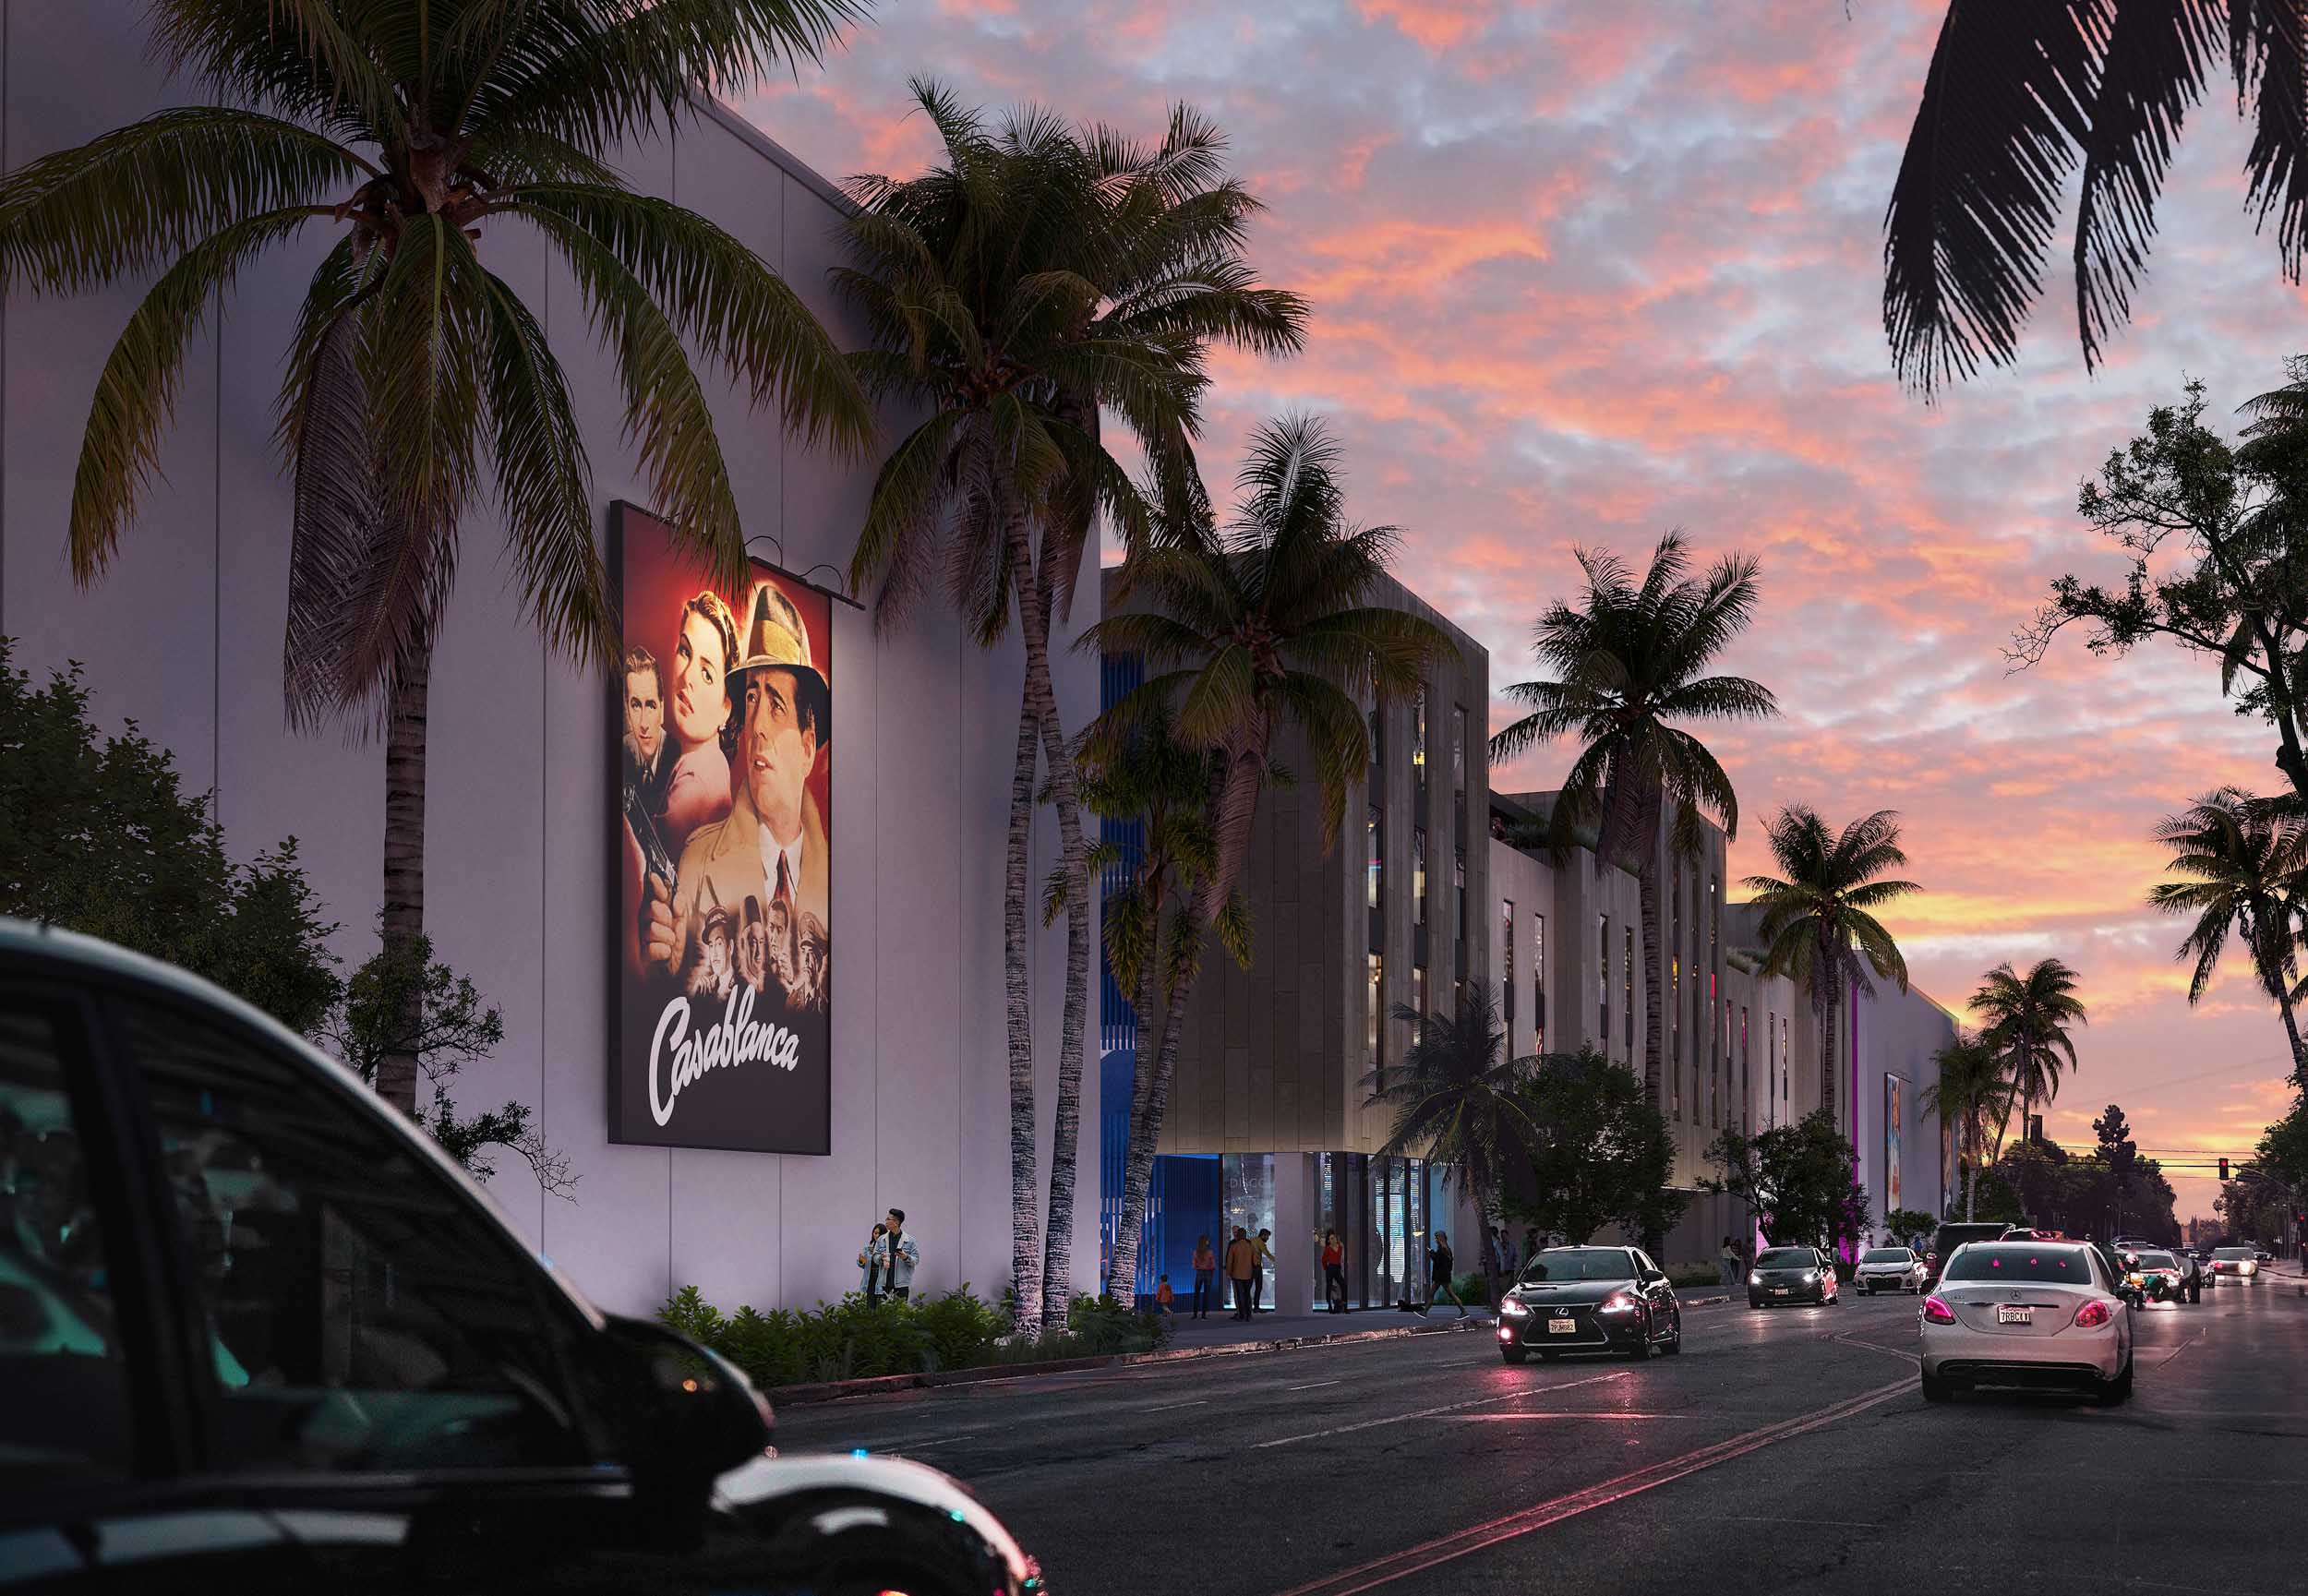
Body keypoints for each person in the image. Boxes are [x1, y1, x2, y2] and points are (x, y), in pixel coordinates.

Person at [645, 582, 831, 990]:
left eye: (776, 705)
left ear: (806, 746)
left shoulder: (836, 883)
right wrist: (668, 963)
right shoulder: (697, 860)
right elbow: (676, 996)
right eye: (751, 700)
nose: (757, 726)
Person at [621, 645, 670, 810]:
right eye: (635, 706)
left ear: (662, 709)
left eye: (650, 706)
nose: (643, 724)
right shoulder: (620, 753)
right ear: (627, 709)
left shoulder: (677, 756)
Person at [877, 1208, 920, 1302]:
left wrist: (906, 1257)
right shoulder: (881, 1239)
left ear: (896, 1222)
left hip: (902, 1286)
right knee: (883, 1314)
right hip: (884, 1284)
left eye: (888, 1219)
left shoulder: (910, 1240)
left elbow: (916, 1260)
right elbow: (875, 1256)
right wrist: (880, 1257)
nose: (886, 1221)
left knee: (900, 1314)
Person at [1425, 1230, 1465, 1316]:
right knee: (1434, 1293)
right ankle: (1424, 1312)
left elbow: (1438, 1260)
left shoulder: (1442, 1249)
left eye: (1436, 1238)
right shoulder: (1446, 1248)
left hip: (1441, 1276)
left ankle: (1463, 1311)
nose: (1435, 1239)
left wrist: (1431, 1253)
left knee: (1446, 1294)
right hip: (1444, 1275)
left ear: (1439, 1238)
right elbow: (1446, 1261)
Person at [1224, 1227, 1258, 1321]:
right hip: (1248, 1274)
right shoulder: (1250, 1246)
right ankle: (1249, 1315)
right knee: (1247, 1294)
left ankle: (1241, 1315)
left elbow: (1229, 1261)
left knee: (1239, 1295)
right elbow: (1255, 1261)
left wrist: (1228, 1272)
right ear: (1245, 1235)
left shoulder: (1233, 1246)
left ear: (1238, 1235)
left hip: (1236, 1274)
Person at [859, 1221, 886, 1305]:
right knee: (870, 1303)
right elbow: (864, 1265)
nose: (877, 1235)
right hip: (870, 1277)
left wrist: (882, 1257)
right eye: (875, 1233)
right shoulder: (868, 1247)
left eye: (880, 1234)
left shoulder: (886, 1247)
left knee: (882, 1303)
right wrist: (861, 1260)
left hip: (881, 1278)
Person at [1191, 1234, 1218, 1320]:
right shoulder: (1210, 1252)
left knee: (1196, 1294)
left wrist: (1199, 1267)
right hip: (1208, 1273)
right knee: (1206, 1294)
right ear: (1205, 1242)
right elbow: (1214, 1266)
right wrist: (1208, 1267)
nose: (1208, 1242)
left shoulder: (1195, 1252)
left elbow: (1194, 1266)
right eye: (1207, 1240)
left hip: (1199, 1273)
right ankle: (1203, 1315)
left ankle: (1195, 1314)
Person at [1321, 1230, 1348, 1314]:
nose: (1333, 1240)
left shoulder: (1340, 1247)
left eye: (1334, 1238)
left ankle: (1344, 1305)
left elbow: (1341, 1259)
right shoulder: (1328, 1248)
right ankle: (1329, 1306)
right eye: (1331, 1239)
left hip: (1337, 1268)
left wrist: (1341, 1266)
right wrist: (1326, 1268)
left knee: (1343, 1285)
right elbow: (1323, 1260)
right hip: (1330, 1268)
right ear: (1329, 1240)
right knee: (1329, 1287)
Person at [1253, 1228, 1276, 1313]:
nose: (1268, 1239)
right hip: (1256, 1267)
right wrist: (1277, 1261)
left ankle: (1249, 1307)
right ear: (1263, 1235)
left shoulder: (1253, 1240)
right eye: (1267, 1237)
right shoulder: (1260, 1242)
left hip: (1249, 1267)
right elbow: (1267, 1254)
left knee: (1248, 1288)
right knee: (1259, 1287)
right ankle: (1256, 1307)